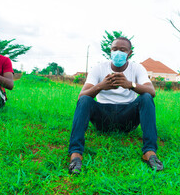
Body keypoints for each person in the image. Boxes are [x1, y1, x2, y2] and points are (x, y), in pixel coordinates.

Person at [68, 37, 163, 174]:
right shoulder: (99, 68)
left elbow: (151, 92)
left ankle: (149, 152)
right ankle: (76, 154)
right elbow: (81, 95)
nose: (118, 52)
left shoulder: (137, 68)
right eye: (114, 49)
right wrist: (101, 86)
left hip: (127, 118)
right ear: (110, 51)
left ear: (129, 53)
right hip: (103, 118)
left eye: (122, 50)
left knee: (146, 98)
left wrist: (130, 85)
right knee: (85, 100)